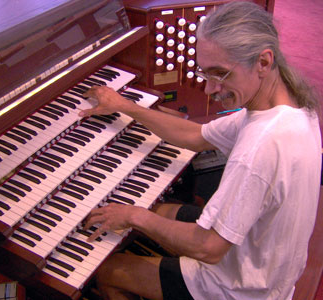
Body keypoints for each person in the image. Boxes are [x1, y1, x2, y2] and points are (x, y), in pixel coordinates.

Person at [79, 1, 322, 299]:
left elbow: (209, 248)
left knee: (106, 270)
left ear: (263, 62)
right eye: (205, 73)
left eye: (219, 74)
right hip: (267, 261)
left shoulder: (261, 145)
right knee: (157, 210)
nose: (209, 89)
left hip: (242, 289)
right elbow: (195, 135)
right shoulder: (290, 107)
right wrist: (125, 106)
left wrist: (133, 216)